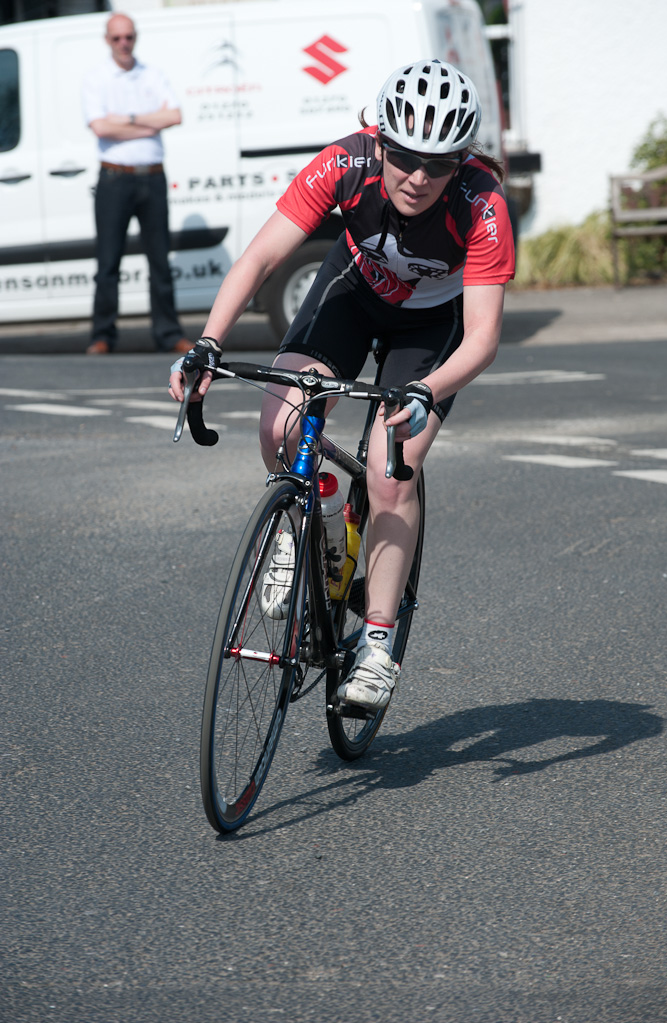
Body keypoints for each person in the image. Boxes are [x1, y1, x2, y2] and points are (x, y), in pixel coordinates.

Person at [169, 59, 515, 710]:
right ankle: (306, 532)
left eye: (438, 165)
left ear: (461, 162)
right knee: (281, 423)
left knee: (391, 470)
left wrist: (427, 390)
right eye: (404, 157)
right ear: (380, 142)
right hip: (352, 290)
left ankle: (377, 646)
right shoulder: (346, 163)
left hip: (432, 325)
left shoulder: (481, 202)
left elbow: (482, 338)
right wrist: (208, 343)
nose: (418, 177)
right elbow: (260, 257)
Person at [82, 13, 191, 356]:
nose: (124, 44)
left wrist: (127, 119)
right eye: (117, 38)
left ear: (135, 37)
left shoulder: (152, 74)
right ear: (107, 40)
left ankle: (168, 333)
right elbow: (100, 127)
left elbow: (175, 116)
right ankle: (102, 335)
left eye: (129, 37)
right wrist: (150, 123)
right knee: (108, 261)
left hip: (152, 176)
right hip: (115, 178)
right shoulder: (96, 78)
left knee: (160, 260)